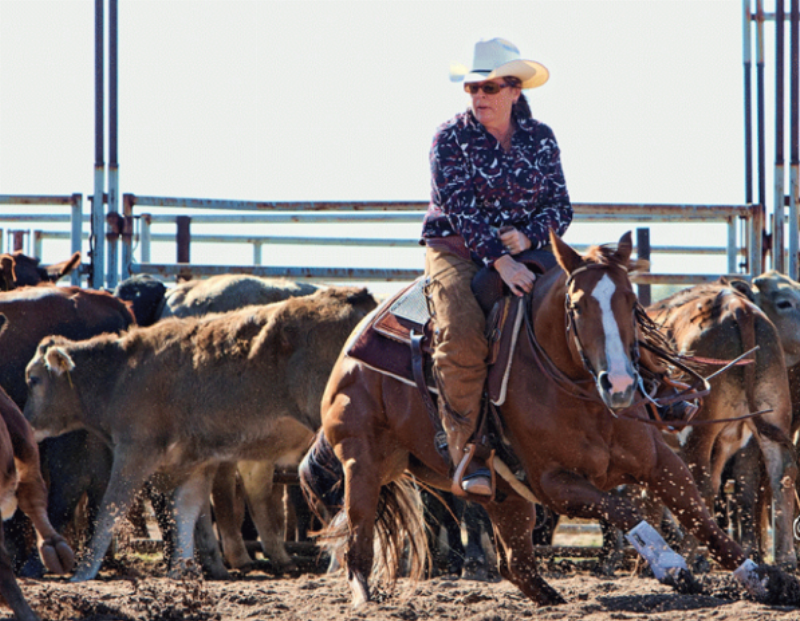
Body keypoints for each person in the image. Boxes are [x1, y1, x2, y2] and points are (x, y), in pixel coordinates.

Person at [420, 37, 572, 496]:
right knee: (463, 334)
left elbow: (561, 206)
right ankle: (469, 452)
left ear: (514, 90)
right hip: (456, 249)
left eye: (489, 87)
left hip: (524, 247)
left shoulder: (541, 138)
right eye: (472, 89)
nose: (479, 97)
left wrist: (528, 237)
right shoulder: (449, 139)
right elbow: (461, 211)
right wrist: (502, 261)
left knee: (588, 308)